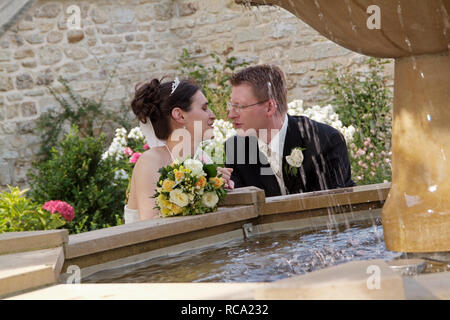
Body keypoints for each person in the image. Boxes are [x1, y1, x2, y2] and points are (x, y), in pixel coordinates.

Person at [225, 64, 355, 197]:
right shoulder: (235, 149)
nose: (231, 115)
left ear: (270, 107)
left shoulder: (325, 140)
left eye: (239, 106)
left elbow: (336, 207)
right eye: (231, 105)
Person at [125, 78, 233, 223]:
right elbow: (151, 225)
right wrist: (204, 184)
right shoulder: (151, 161)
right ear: (180, 115)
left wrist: (217, 185)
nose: (212, 115)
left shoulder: (201, 158)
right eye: (204, 108)